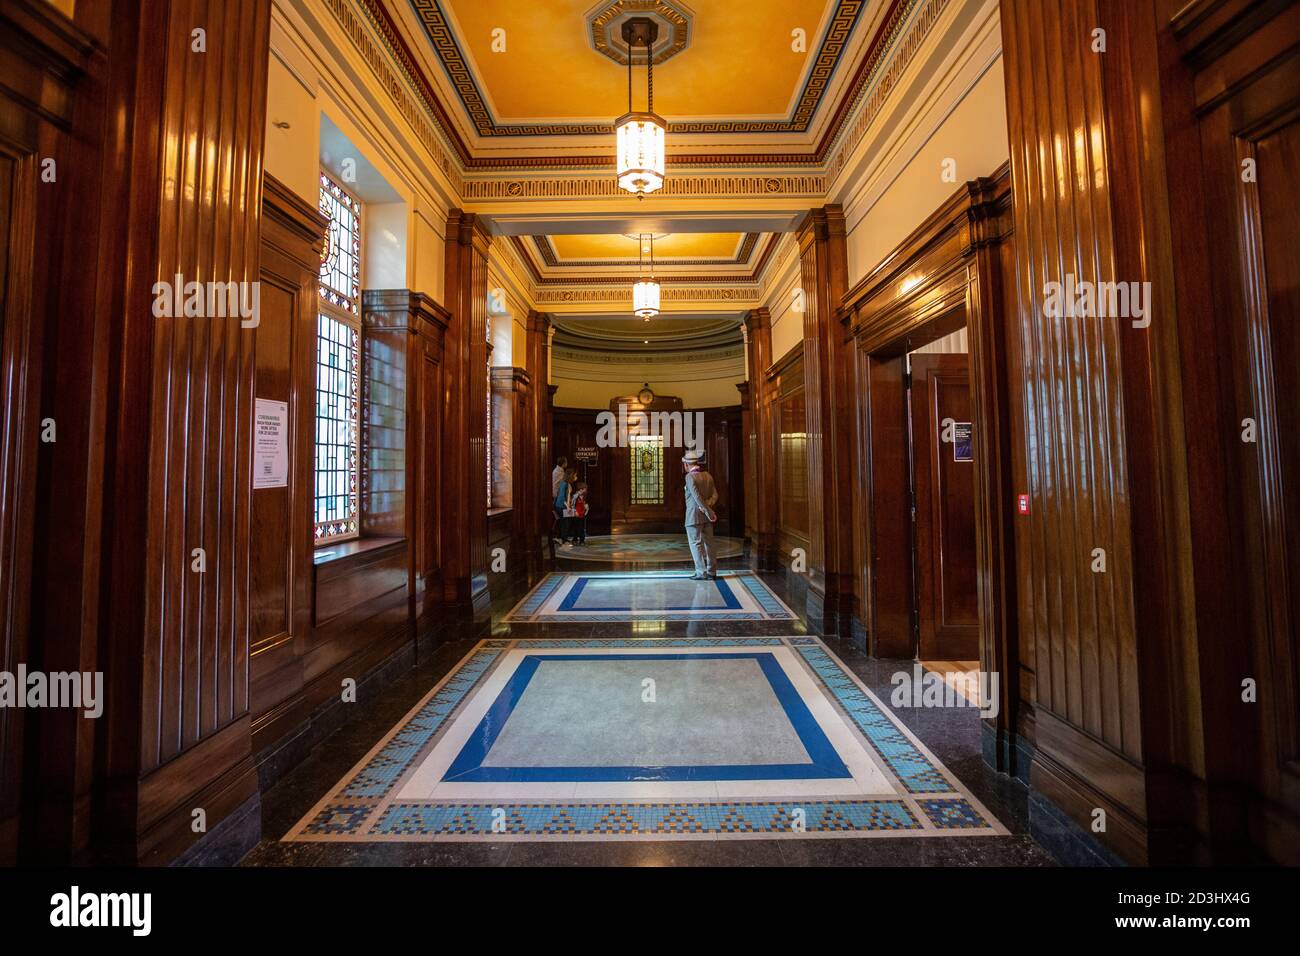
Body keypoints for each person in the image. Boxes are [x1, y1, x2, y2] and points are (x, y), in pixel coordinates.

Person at [682, 448, 718, 580]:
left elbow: (697, 497)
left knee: (695, 543)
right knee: (709, 543)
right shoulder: (708, 475)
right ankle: (712, 572)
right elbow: (715, 495)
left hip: (693, 516)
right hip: (707, 516)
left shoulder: (689, 477)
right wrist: (709, 508)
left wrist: (707, 511)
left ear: (686, 465)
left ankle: (701, 572)